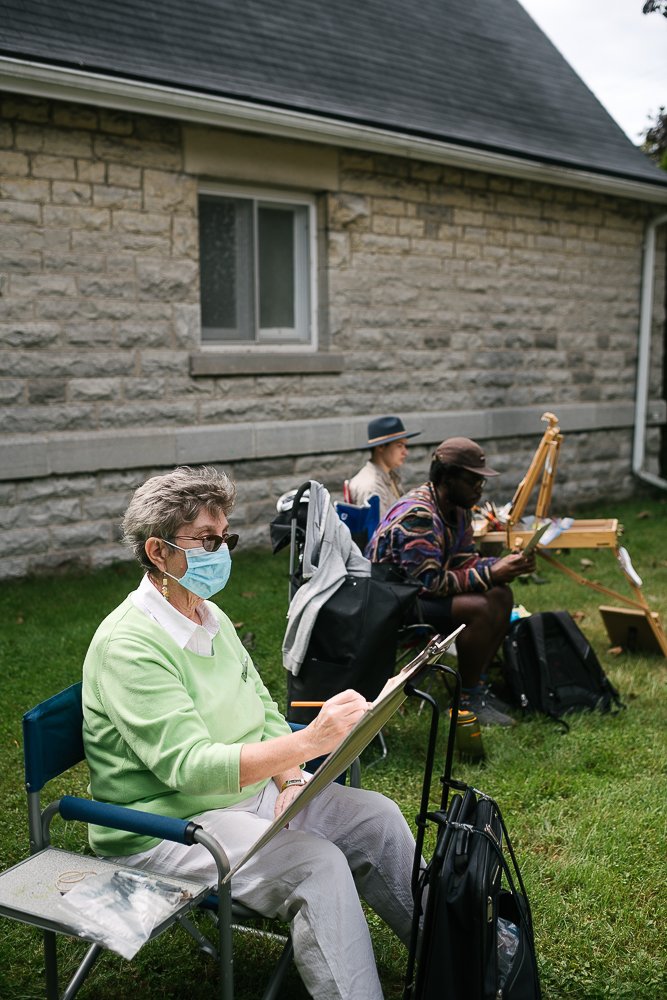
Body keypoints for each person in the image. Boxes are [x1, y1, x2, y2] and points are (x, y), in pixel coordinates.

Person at [82, 465, 418, 1000]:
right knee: (318, 865)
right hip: (164, 827)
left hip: (246, 799)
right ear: (157, 551)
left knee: (376, 816)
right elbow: (190, 768)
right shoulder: (130, 645)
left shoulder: (205, 613)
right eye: (207, 540)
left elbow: (263, 710)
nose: (222, 551)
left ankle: (466, 955)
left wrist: (289, 780)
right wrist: (309, 744)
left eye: (226, 538)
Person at [366, 437, 536, 726]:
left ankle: (477, 687)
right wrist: (491, 573)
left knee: (502, 595)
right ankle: (466, 700)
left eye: (481, 482)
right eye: (472, 481)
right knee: (480, 607)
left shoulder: (458, 510)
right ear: (446, 478)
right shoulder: (419, 514)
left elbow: (462, 561)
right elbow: (428, 583)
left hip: (420, 594)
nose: (479, 489)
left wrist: (503, 565)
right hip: (394, 604)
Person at [348, 415, 421, 518]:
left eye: (405, 446)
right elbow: (379, 531)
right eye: (399, 446)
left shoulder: (389, 476)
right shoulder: (371, 486)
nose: (405, 452)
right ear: (381, 447)